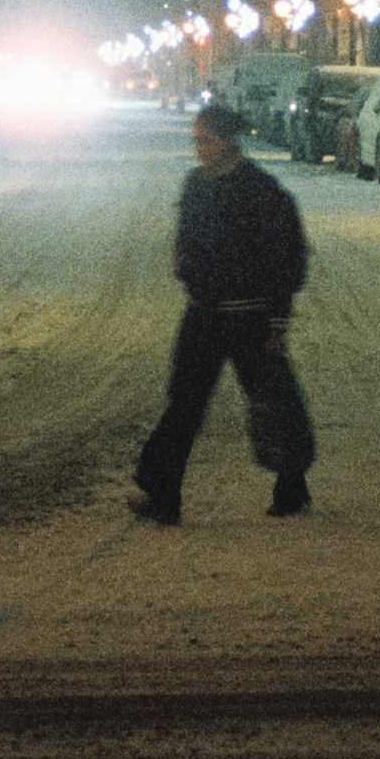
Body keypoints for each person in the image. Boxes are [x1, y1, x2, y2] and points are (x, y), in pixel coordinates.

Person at [132, 102, 317, 524]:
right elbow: (186, 242)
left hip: (250, 319)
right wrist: (186, 271)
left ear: (228, 140)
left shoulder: (261, 191)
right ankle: (163, 496)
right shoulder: (195, 185)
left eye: (207, 140)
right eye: (196, 140)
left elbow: (286, 258)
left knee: (271, 401)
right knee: (184, 405)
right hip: (203, 317)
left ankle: (291, 486)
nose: (200, 149)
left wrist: (277, 322)